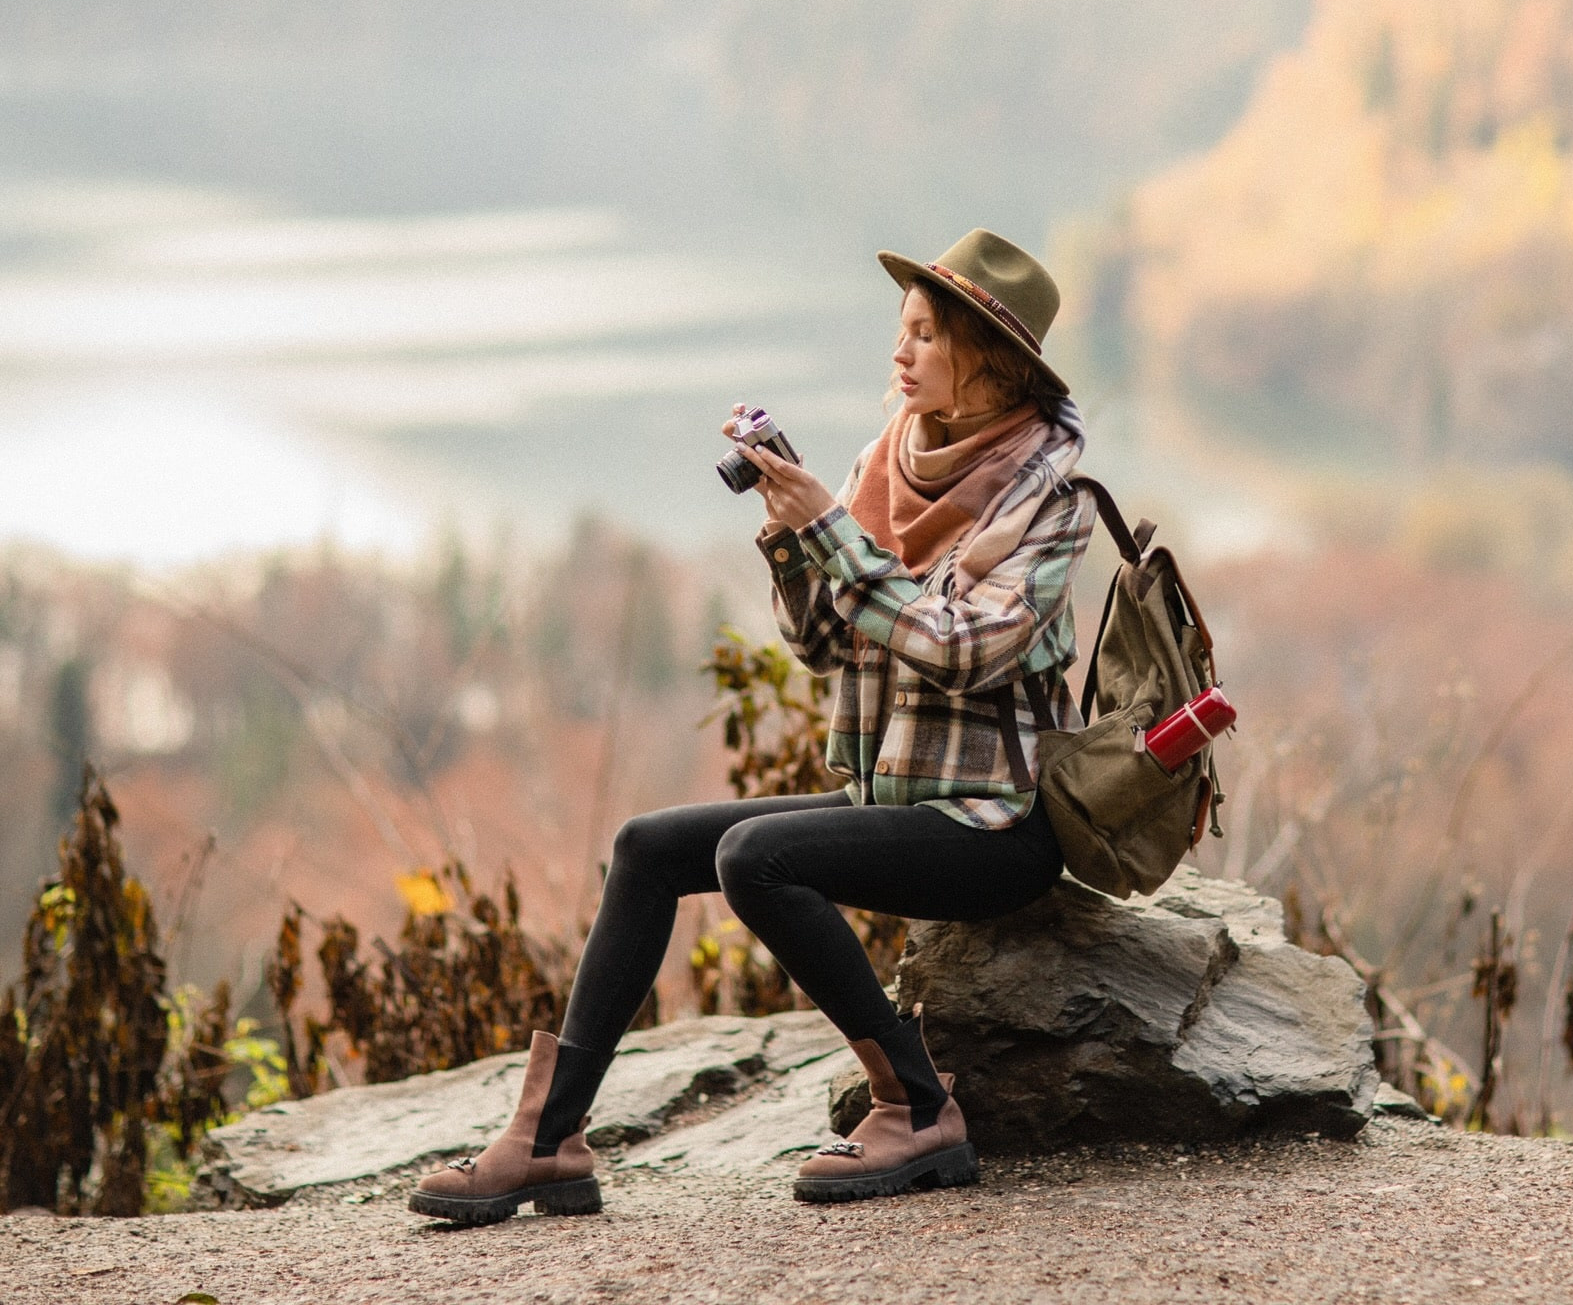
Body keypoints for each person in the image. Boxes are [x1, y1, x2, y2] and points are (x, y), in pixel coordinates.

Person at [411, 229, 1097, 1222]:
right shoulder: (888, 461)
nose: (899, 353)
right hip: (892, 796)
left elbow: (964, 649)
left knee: (754, 859)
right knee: (646, 847)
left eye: (924, 337)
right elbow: (830, 648)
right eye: (899, 332)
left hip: (994, 825)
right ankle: (552, 1136)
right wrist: (790, 531)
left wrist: (830, 530)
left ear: (990, 361)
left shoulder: (1053, 494)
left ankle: (917, 1107)